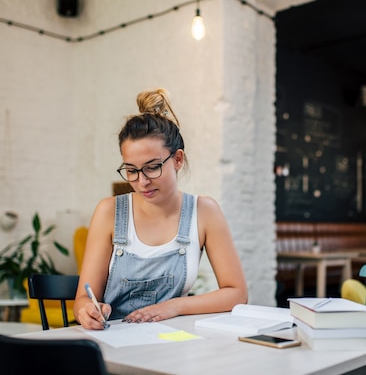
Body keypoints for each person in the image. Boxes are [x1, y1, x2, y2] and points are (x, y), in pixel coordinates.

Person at [74, 88, 248, 330]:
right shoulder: (109, 212)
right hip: (113, 337)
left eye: (152, 167)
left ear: (177, 159)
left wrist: (173, 306)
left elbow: (236, 293)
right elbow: (83, 298)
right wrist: (87, 311)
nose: (142, 181)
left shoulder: (204, 212)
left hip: (172, 338)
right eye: (131, 170)